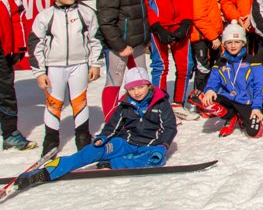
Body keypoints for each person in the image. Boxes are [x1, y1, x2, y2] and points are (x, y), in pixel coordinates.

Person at [16, 67, 177, 190]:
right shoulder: (125, 105)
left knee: (154, 159)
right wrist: (103, 138)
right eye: (132, 89)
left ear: (148, 86)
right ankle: (48, 171)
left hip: (150, 146)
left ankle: (114, 164)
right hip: (125, 143)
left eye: (140, 87)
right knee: (92, 150)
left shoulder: (161, 104)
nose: (136, 92)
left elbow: (169, 128)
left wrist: (162, 146)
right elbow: (112, 126)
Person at [28, 0, 103, 156]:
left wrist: (95, 64)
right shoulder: (46, 16)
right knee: (54, 103)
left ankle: (83, 138)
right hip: (54, 66)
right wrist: (39, 72)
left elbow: (96, 39)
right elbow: (35, 44)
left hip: (79, 64)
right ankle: (51, 140)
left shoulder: (86, 13)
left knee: (80, 101)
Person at [96, 0, 154, 119]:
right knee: (115, 81)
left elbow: (140, 13)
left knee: (142, 81)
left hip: (136, 42)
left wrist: (145, 36)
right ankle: (111, 119)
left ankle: (141, 115)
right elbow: (106, 21)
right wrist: (120, 45)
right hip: (120, 45)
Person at [197, 23, 263, 138]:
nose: (233, 45)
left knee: (254, 133)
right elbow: (213, 81)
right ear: (224, 44)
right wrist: (209, 89)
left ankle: (242, 115)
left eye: (237, 42)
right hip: (228, 99)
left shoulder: (253, 61)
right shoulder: (220, 63)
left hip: (246, 102)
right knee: (200, 98)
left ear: (243, 43)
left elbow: (260, 86)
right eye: (229, 42)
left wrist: (256, 107)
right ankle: (231, 116)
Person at [186, 0, 224, 107]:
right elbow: (199, 16)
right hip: (202, 37)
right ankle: (200, 99)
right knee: (203, 69)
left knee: (211, 68)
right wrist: (213, 36)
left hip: (209, 35)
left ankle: (208, 96)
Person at [0, 0, 33, 150]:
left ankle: (10, 133)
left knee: (5, 91)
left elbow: (17, 15)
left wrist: (19, 46)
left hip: (1, 49)